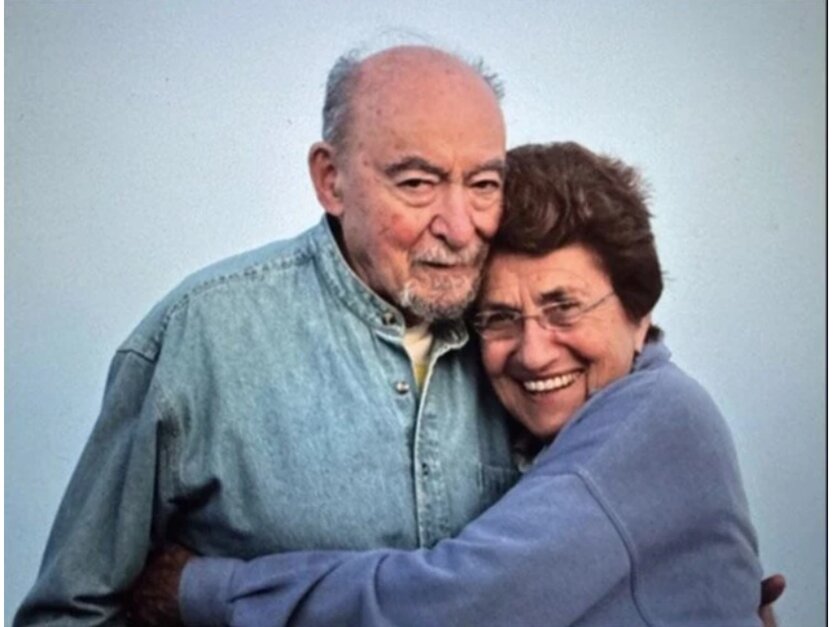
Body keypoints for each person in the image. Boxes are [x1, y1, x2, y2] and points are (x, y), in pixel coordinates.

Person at [143, 142, 772, 625]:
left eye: (564, 308)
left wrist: (206, 591)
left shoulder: (657, 415)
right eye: (499, 318)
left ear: (640, 314)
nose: (532, 352)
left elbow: (454, 604)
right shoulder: (577, 429)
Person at [14, 45, 520, 625]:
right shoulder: (201, 336)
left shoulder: (536, 343)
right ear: (330, 180)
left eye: (484, 184)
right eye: (417, 183)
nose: (460, 228)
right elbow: (68, 613)